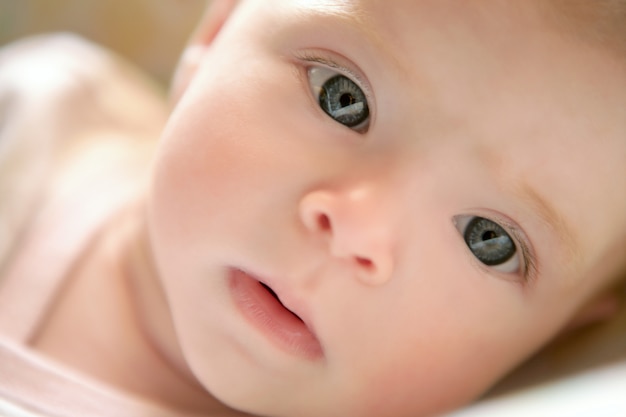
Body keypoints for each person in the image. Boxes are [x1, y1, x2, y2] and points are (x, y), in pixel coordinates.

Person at [0, 1, 625, 416]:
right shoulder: (37, 118)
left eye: (490, 239)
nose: (356, 228)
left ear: (559, 340)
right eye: (341, 97)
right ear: (218, 32)